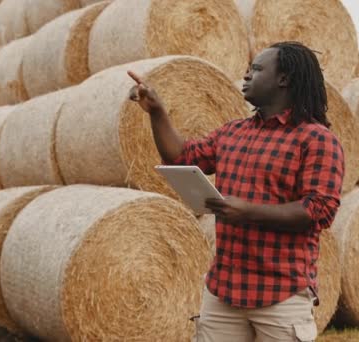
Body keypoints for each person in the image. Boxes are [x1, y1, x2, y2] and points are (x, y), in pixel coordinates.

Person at [127, 41, 344, 342]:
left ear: (284, 79)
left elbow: (320, 209)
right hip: (223, 291)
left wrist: (247, 211)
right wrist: (157, 112)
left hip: (281, 295)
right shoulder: (232, 132)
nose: (245, 74)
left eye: (256, 69)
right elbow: (182, 157)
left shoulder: (316, 140)